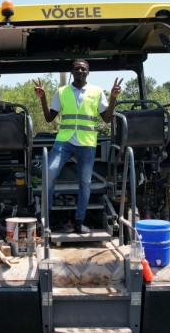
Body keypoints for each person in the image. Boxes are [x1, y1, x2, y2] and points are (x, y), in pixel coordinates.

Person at [33, 59, 121, 234]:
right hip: (64, 141)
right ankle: (46, 219)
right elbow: (50, 118)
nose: (80, 71)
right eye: (77, 68)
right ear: (72, 72)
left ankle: (79, 221)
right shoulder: (62, 91)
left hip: (87, 142)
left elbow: (107, 118)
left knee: (85, 183)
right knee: (49, 173)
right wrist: (43, 98)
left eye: (83, 68)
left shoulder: (97, 91)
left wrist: (112, 98)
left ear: (88, 72)